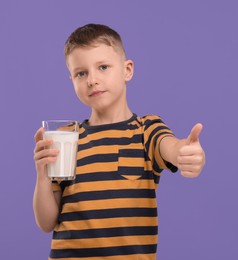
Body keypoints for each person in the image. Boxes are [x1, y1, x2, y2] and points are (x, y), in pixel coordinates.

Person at [33, 23, 206, 260]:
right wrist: (42, 175)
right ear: (71, 79)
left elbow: (171, 147)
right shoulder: (66, 137)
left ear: (127, 70)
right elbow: (46, 222)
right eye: (81, 73)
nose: (92, 80)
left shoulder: (146, 130)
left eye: (103, 67)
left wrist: (186, 152)